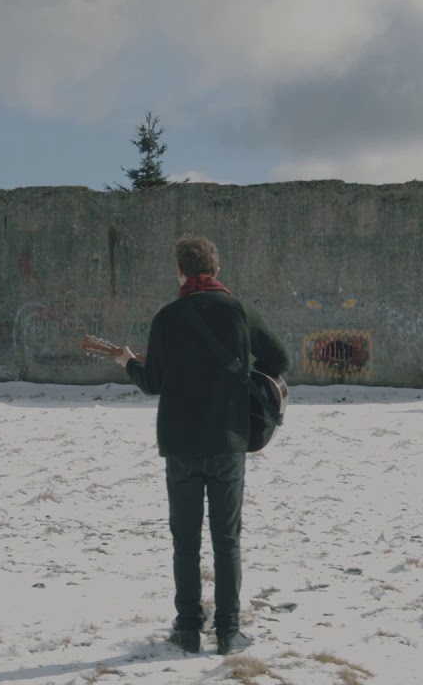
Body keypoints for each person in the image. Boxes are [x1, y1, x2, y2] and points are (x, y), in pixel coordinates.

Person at [114, 235, 289, 656]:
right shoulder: (238, 311)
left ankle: (188, 628)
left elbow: (153, 383)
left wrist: (129, 364)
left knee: (185, 538)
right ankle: (229, 631)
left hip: (181, 444)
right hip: (228, 440)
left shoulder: (168, 317)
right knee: (227, 538)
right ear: (216, 270)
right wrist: (244, 379)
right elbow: (279, 360)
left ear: (180, 270)